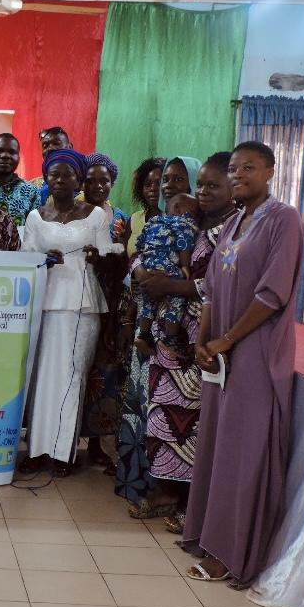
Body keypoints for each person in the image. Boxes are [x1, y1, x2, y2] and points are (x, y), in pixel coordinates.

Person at [182, 142, 303, 588]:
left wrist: (228, 340)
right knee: (215, 443)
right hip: (220, 351)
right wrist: (203, 340)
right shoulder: (232, 222)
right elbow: (212, 289)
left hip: (255, 350)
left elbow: (272, 294)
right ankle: (207, 536)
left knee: (242, 450)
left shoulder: (283, 219)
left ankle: (233, 554)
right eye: (233, 169)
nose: (238, 176)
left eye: (248, 168)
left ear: (270, 172)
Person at [131, 152, 237, 534]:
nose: (204, 192)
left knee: (194, 422)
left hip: (201, 340)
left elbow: (225, 284)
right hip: (165, 336)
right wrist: (142, 269)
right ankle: (164, 490)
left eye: (212, 185)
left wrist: (172, 285)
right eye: (203, 185)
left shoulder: (233, 230)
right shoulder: (185, 219)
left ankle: (193, 500)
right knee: (162, 414)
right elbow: (146, 253)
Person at [18, 148, 123, 477]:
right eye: (54, 175)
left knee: (71, 376)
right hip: (45, 300)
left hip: (82, 303)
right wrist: (41, 258)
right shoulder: (35, 217)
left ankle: (64, 453)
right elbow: (24, 257)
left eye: (67, 175)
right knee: (41, 376)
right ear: (46, 179)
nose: (60, 180)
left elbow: (112, 251)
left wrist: (98, 255)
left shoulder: (95, 216)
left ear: (79, 179)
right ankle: (36, 449)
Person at [119, 154, 200, 517]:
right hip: (151, 331)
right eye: (166, 178)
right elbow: (135, 261)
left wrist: (169, 282)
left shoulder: (206, 227)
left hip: (189, 336)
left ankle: (184, 500)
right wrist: (139, 273)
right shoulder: (152, 222)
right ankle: (147, 486)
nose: (168, 185)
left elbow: (204, 277)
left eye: (178, 179)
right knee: (151, 415)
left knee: (183, 423)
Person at [114, 157, 168, 505]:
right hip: (133, 311)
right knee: (132, 397)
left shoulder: (181, 221)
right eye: (148, 183)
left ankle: (159, 482)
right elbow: (131, 266)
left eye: (161, 182)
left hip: (165, 320)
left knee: (157, 402)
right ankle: (131, 478)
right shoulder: (134, 221)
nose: (155, 189)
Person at [80, 152, 130, 471]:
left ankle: (98, 443)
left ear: (112, 183)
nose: (98, 186)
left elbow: (125, 261)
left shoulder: (121, 216)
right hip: (80, 296)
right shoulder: (74, 213)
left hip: (111, 303)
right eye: (91, 180)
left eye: (104, 181)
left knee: (105, 373)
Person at [133, 193, 200, 353]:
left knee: (148, 302)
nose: (194, 217)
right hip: (168, 269)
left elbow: (139, 243)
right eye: (193, 213)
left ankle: (143, 333)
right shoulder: (184, 222)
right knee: (177, 300)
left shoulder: (153, 221)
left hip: (148, 266)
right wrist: (184, 266)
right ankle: (171, 338)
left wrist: (144, 260)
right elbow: (184, 244)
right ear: (178, 209)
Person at [30, 126, 74, 203]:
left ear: (70, 147)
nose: (50, 148)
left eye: (56, 143)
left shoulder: (85, 184)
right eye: (45, 146)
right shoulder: (32, 187)